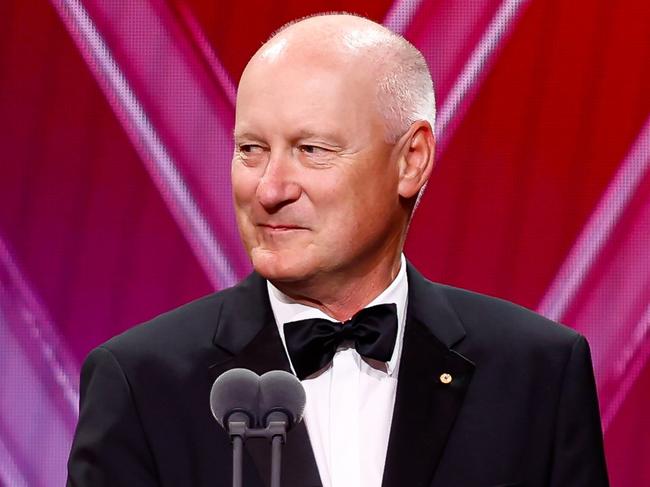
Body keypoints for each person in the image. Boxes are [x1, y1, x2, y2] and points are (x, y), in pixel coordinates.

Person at [66, 13, 609, 487]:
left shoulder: (537, 369)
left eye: (311, 149)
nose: (270, 189)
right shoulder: (141, 382)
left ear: (411, 160)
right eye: (251, 150)